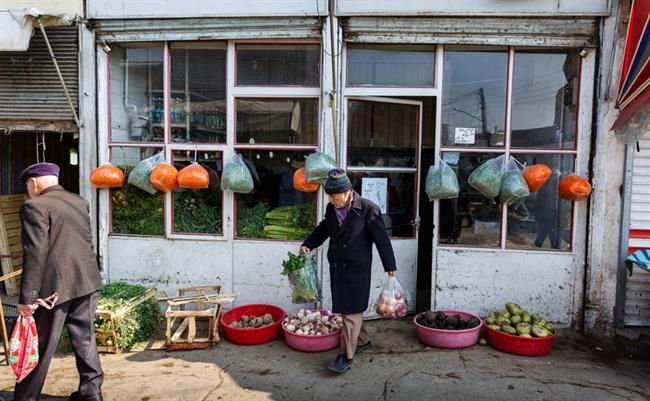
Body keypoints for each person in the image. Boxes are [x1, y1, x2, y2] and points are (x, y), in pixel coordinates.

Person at [14, 163, 104, 401]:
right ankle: (91, 392)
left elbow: (35, 254)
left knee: (40, 344)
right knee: (84, 338)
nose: (28, 190)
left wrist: (28, 298)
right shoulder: (78, 201)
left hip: (53, 290)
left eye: (27, 185)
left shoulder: (34, 207)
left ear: (33, 183)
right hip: (86, 281)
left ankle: (26, 397)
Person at [300, 168, 397, 374]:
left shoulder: (368, 209)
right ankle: (362, 340)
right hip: (337, 266)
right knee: (348, 310)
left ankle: (346, 356)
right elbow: (325, 228)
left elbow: (382, 240)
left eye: (336, 196)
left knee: (351, 313)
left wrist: (390, 267)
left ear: (348, 192)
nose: (334, 200)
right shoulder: (330, 208)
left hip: (357, 270)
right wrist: (309, 243)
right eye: (331, 197)